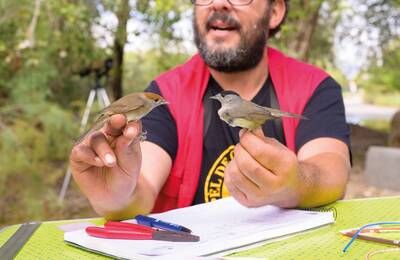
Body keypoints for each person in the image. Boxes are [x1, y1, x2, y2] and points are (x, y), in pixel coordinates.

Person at [70, 0, 351, 219]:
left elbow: (331, 172)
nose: (218, 3)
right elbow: (140, 185)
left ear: (275, 11)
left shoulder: (315, 86)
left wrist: (297, 182)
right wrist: (118, 196)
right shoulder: (165, 93)